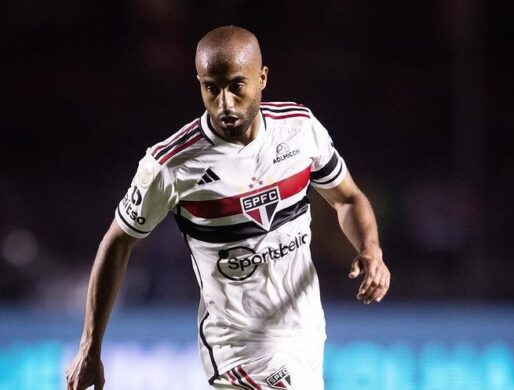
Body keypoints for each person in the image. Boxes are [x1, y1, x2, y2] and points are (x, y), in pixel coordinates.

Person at [66, 25, 390, 390]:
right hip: (237, 346)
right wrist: (89, 347)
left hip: (307, 332)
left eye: (237, 86)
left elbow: (347, 197)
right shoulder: (170, 164)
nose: (225, 104)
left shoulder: (300, 130)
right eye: (211, 88)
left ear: (262, 77)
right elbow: (117, 241)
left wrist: (370, 249)